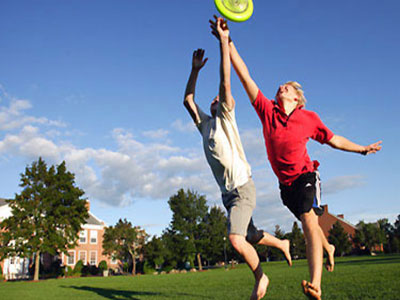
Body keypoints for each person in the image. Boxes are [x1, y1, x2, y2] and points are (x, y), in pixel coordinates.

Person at [209, 16, 382, 300]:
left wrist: (362, 149)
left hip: (305, 176)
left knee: (308, 222)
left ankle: (316, 284)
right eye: (281, 86)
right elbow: (245, 77)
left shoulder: (308, 118)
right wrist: (227, 41)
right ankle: (328, 248)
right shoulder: (268, 111)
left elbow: (334, 139)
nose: (281, 87)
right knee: (309, 222)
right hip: (285, 186)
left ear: (297, 98)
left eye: (287, 87)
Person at [184, 19, 291, 300]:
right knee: (251, 235)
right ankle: (282, 243)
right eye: (214, 97)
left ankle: (261, 277)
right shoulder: (205, 125)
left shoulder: (226, 117)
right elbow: (187, 100)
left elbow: (225, 78)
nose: (217, 96)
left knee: (235, 239)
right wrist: (194, 70)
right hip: (228, 194)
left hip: (242, 187)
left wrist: (223, 41)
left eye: (221, 96)